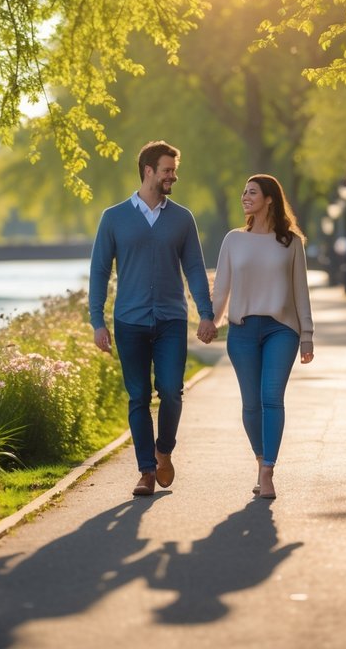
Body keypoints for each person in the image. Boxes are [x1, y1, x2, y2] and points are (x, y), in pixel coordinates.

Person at [89, 140, 217, 497]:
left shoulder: (181, 218)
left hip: (171, 320)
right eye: (167, 170)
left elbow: (194, 269)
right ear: (149, 171)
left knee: (172, 391)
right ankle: (146, 471)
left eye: (173, 171)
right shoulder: (113, 218)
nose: (173, 177)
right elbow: (99, 271)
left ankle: (164, 451)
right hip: (129, 322)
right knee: (138, 396)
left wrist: (205, 314)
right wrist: (97, 321)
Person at [212, 174, 314, 500]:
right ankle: (260, 458)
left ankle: (268, 470)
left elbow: (301, 292)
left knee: (271, 397)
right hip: (241, 330)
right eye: (244, 191)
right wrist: (209, 321)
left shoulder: (291, 243)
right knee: (251, 404)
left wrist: (307, 335)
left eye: (251, 192)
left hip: (281, 329)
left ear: (269, 198)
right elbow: (221, 289)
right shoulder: (233, 240)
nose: (245, 196)